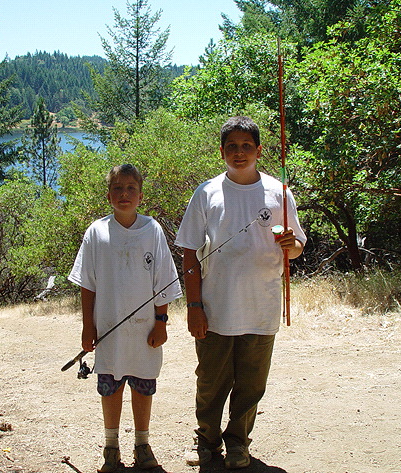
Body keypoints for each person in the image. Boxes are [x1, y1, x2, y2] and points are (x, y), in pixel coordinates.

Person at [175, 116, 306, 470]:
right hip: (215, 308)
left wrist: (291, 245)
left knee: (251, 384)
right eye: (232, 146)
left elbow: (296, 247)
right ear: (221, 151)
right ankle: (206, 441)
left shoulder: (279, 193)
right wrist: (194, 305)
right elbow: (189, 252)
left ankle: (238, 443)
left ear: (259, 151)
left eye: (247, 146)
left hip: (262, 307)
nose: (239, 152)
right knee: (210, 381)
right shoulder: (207, 193)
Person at [68, 164, 182, 472]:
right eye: (117, 188)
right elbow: (87, 284)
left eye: (131, 188)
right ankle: (111, 447)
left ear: (141, 196)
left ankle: (142, 445)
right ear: (108, 195)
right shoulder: (96, 232)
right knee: (110, 384)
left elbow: (163, 281)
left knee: (143, 384)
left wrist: (161, 322)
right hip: (108, 328)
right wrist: (88, 327)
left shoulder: (152, 230)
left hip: (145, 330)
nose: (124, 194)